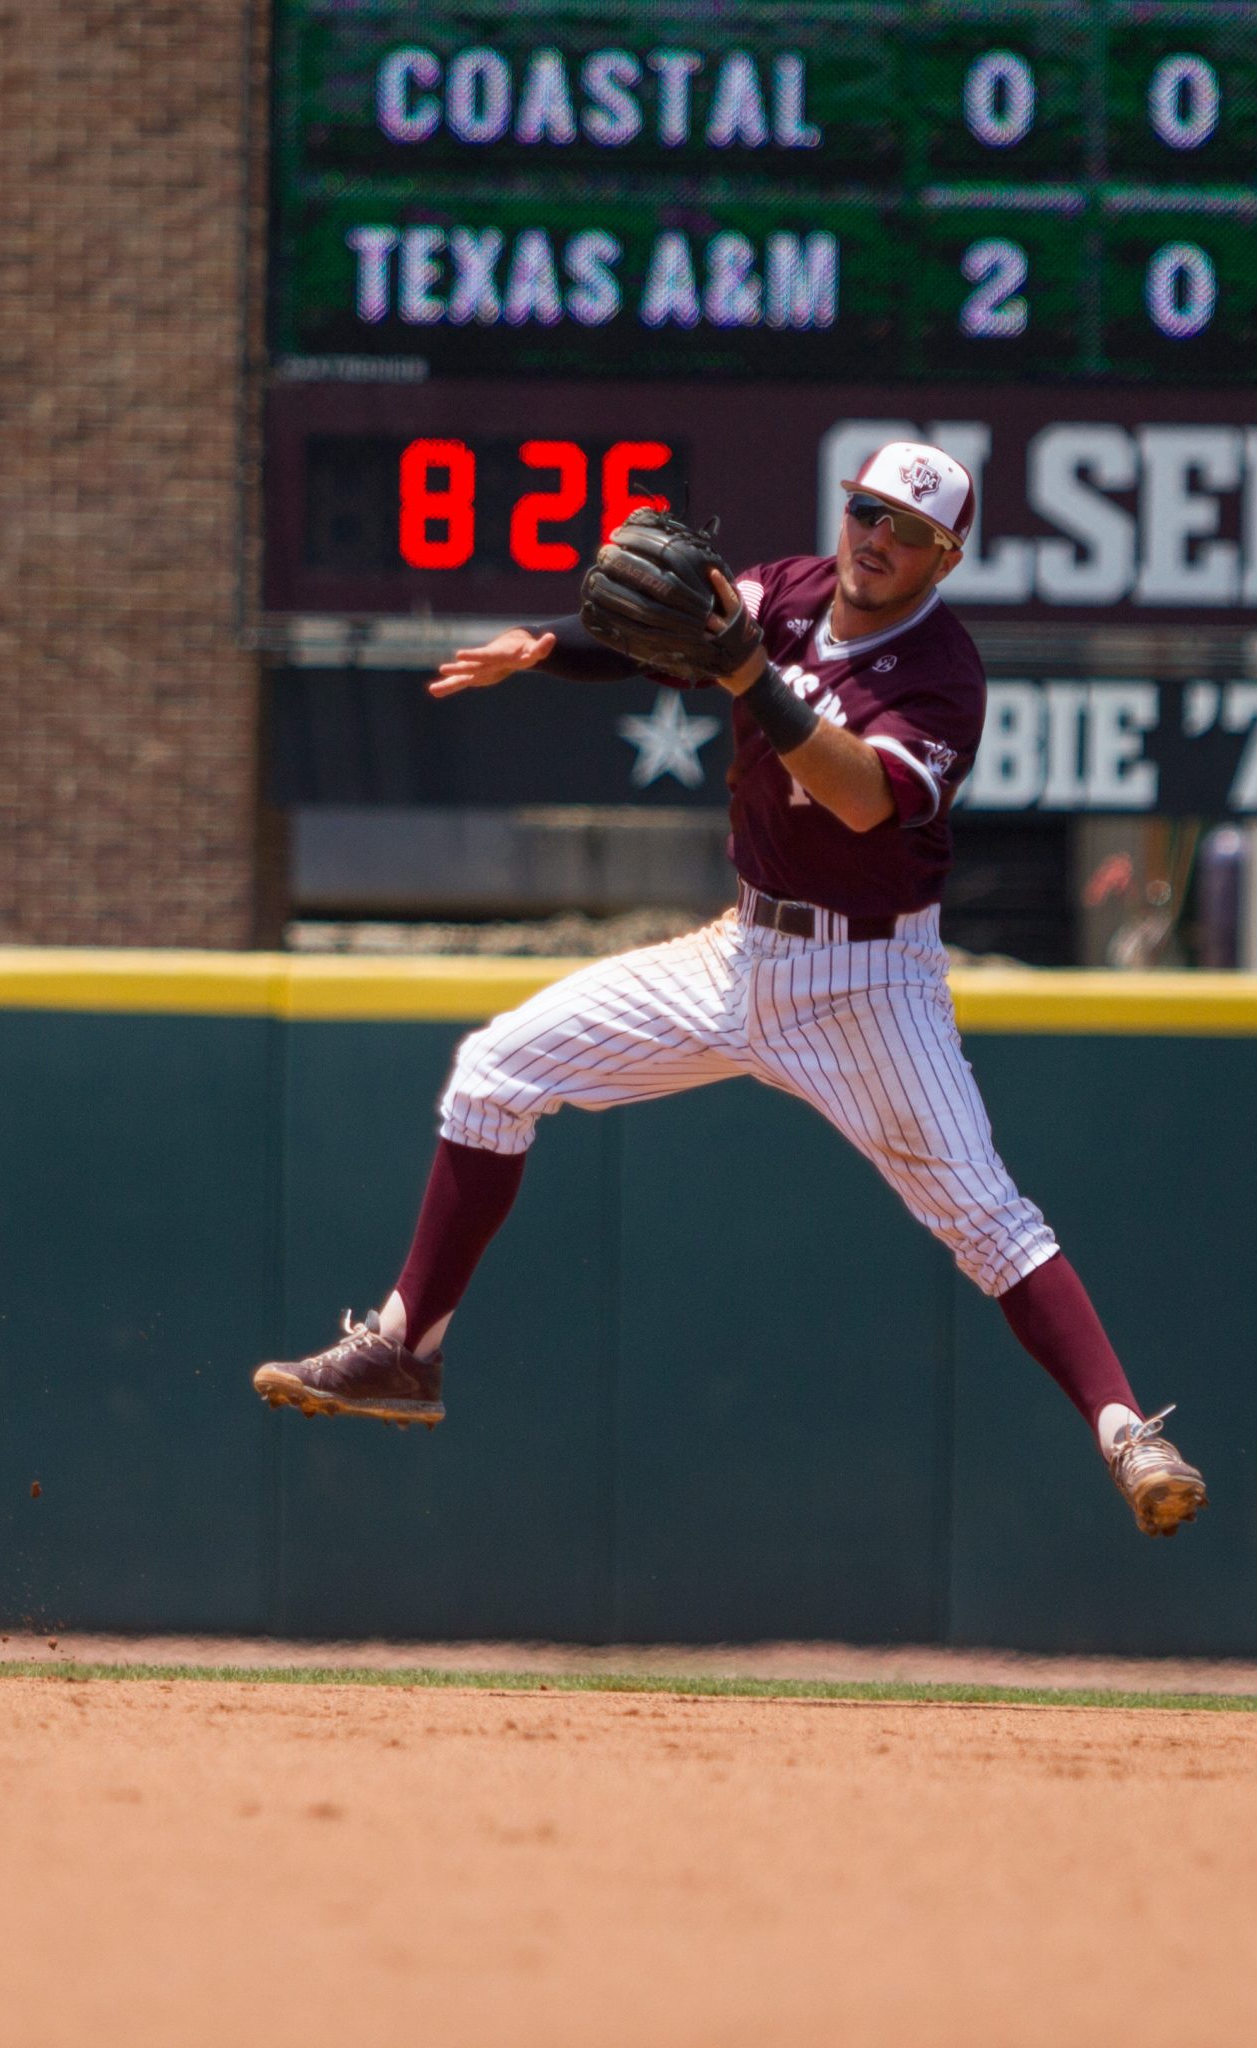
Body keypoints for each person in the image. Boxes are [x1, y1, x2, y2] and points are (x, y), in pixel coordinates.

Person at [252, 440, 1207, 1537]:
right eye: (866, 511)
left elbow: (856, 797)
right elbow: (659, 626)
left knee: (988, 1222)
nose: (876, 539)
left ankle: (1129, 1434)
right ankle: (404, 1349)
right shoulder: (789, 590)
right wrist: (540, 648)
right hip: (738, 948)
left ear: (944, 559)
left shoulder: (942, 672)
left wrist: (751, 672)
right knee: (492, 1073)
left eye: (908, 532)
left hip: (866, 982)